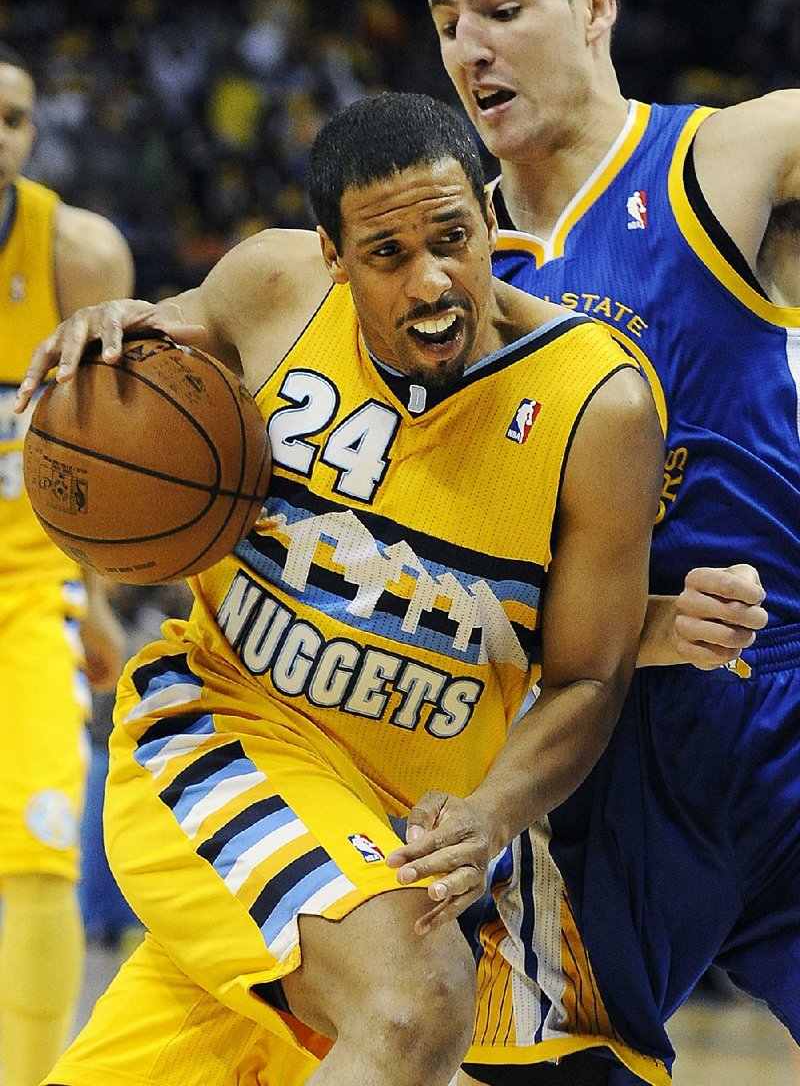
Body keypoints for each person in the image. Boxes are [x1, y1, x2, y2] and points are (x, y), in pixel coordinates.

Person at [17, 90, 665, 1086]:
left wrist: (491, 809)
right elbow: (149, 357)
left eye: (452, 237)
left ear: (491, 218)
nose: (433, 279)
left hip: (383, 831)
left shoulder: (597, 405)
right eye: (386, 254)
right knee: (414, 996)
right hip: (215, 735)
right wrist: (110, 331)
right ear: (329, 253)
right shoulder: (272, 284)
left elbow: (586, 678)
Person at [419, 0, 800, 1084]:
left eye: (498, 5)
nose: (467, 46)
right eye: (442, 22)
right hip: (592, 740)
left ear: (593, 7)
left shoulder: (716, 155)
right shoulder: (442, 276)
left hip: (779, 701)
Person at [0, 40, 134, 1086]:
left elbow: (96, 450)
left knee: (43, 839)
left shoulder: (78, 255)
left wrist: (94, 600)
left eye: (14, 116)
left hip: (24, 591)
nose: (0, 135)